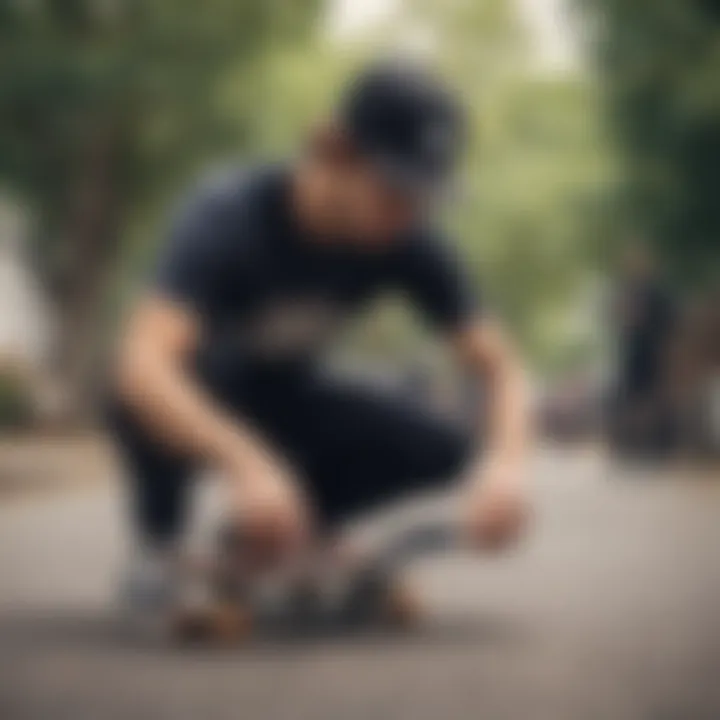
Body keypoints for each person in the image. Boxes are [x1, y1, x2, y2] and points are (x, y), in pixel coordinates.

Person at [110, 61, 532, 620]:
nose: (408, 215)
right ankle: (158, 544)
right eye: (395, 191)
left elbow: (502, 368)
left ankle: (294, 529)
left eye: (423, 197)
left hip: (287, 396)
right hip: (206, 391)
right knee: (137, 395)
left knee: (447, 445)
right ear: (335, 149)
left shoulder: (408, 239)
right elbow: (144, 365)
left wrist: (505, 467)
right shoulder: (228, 212)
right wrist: (248, 465)